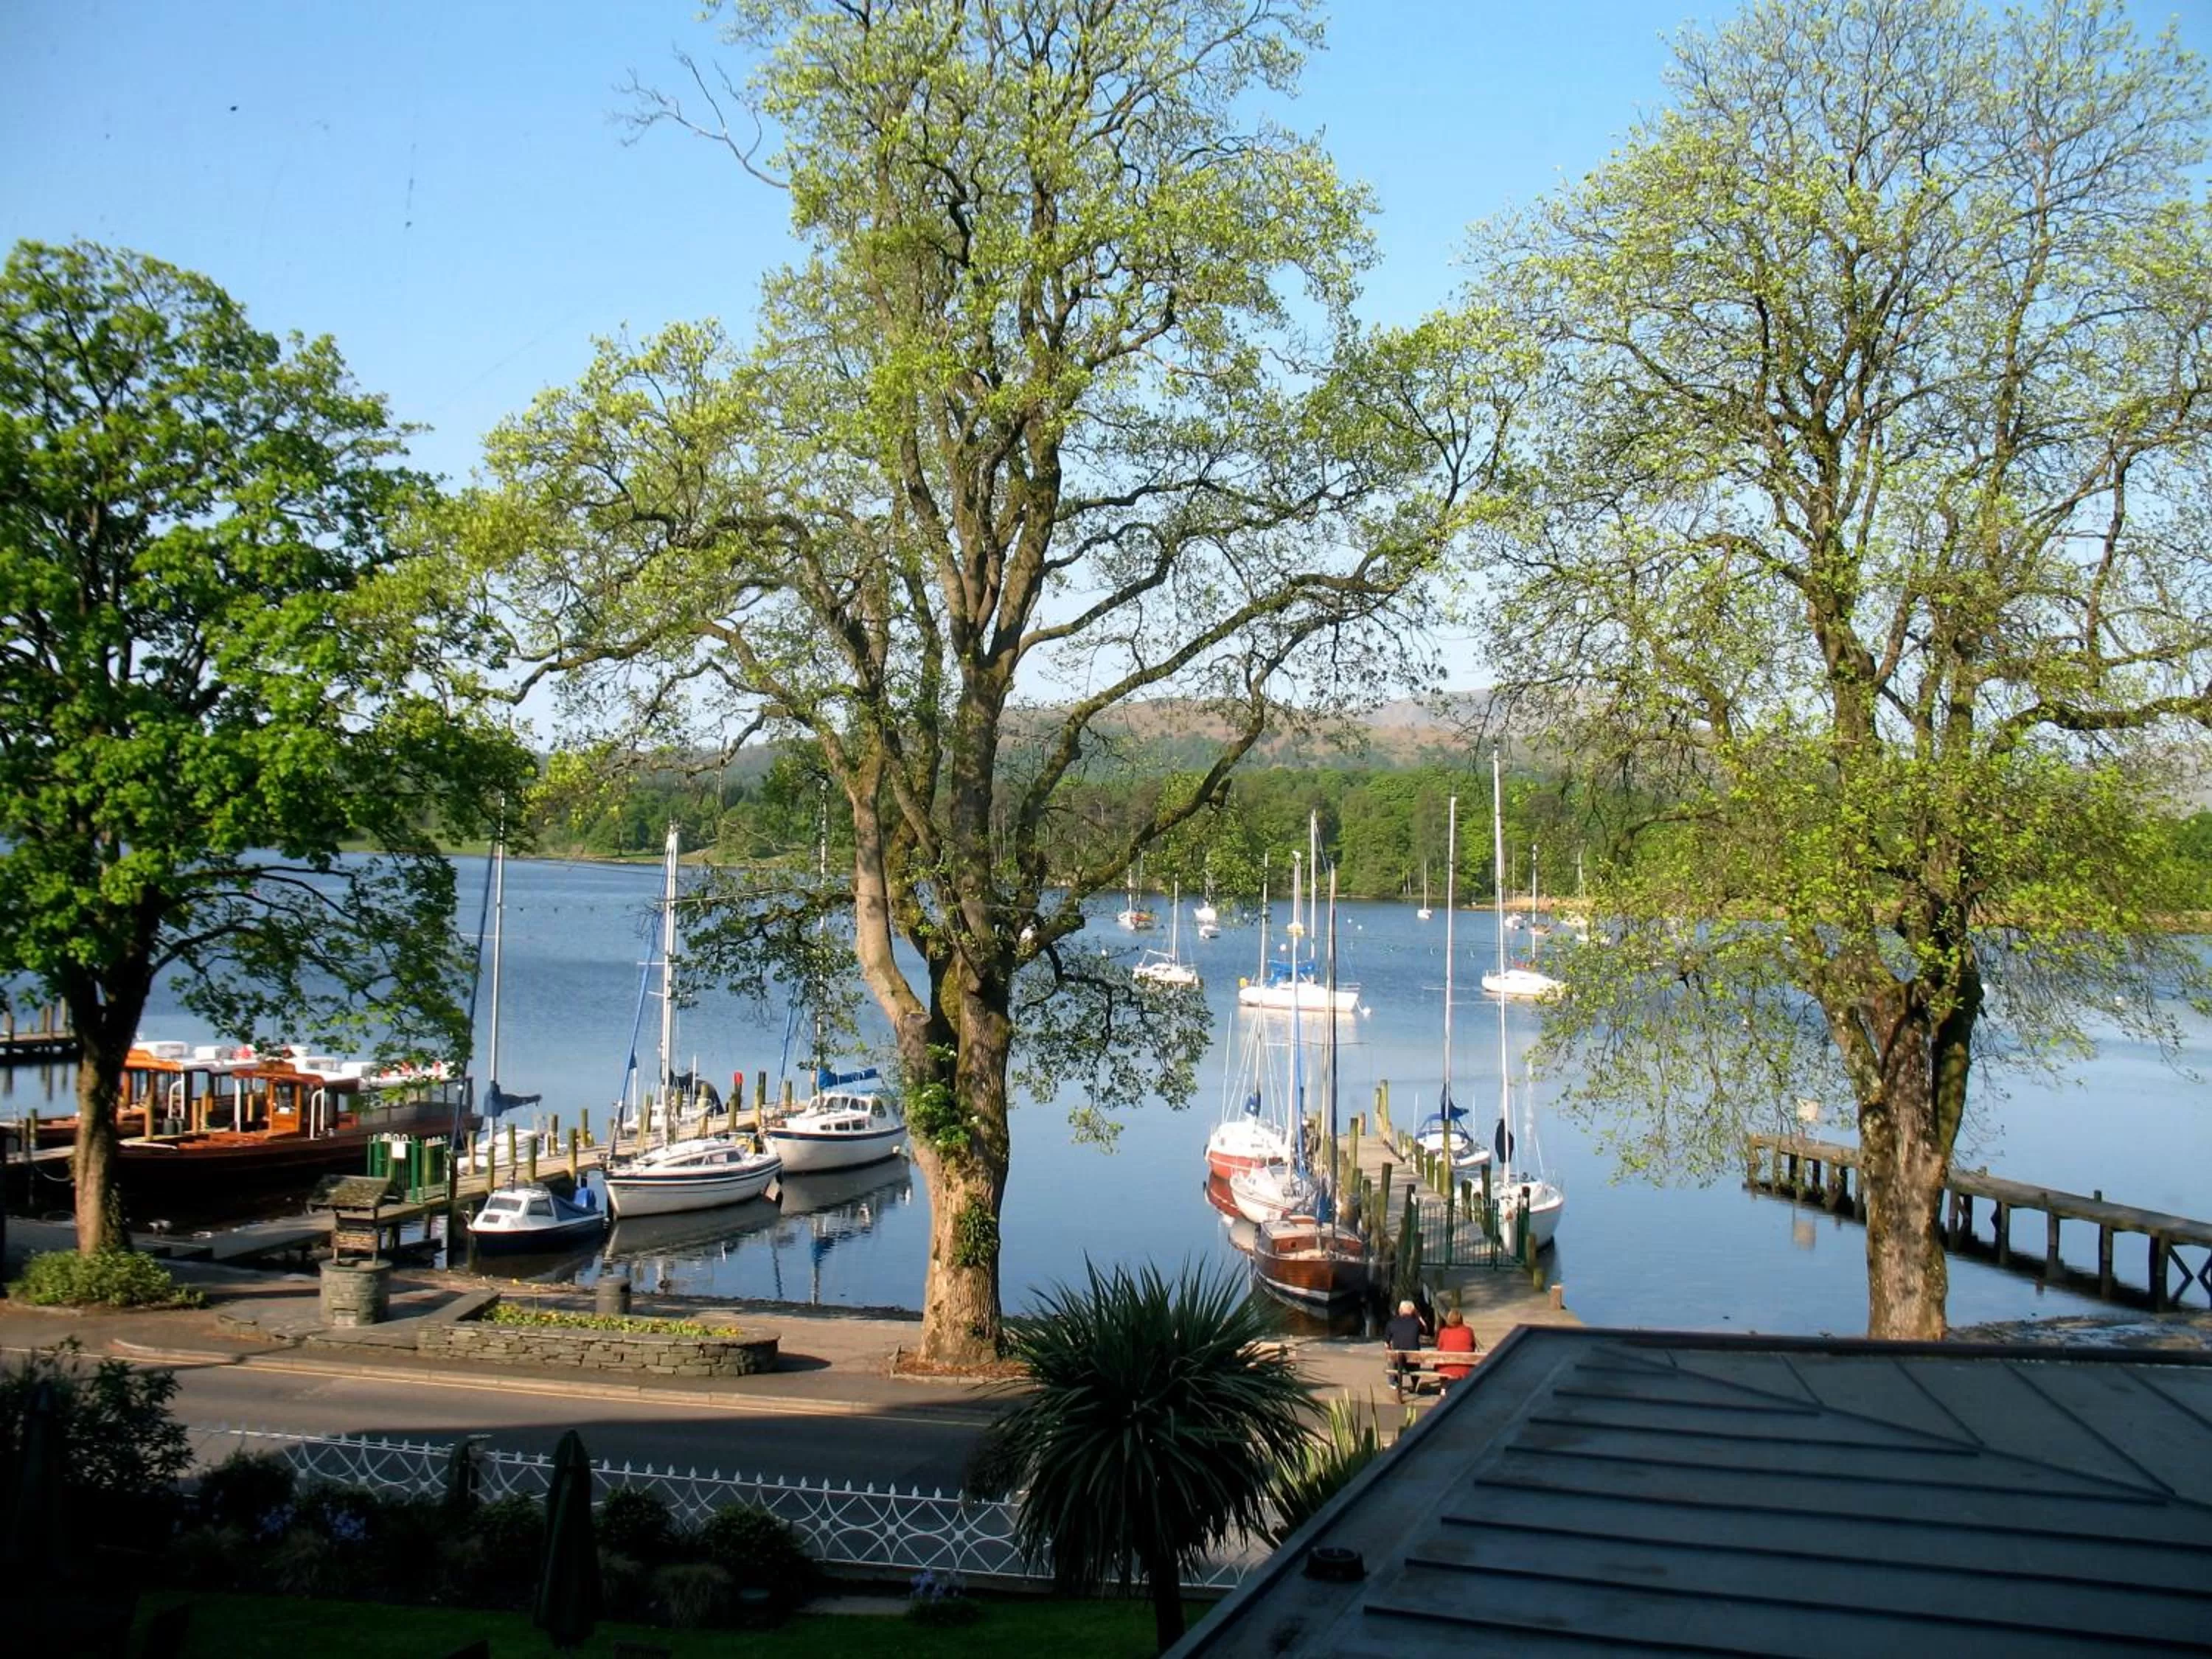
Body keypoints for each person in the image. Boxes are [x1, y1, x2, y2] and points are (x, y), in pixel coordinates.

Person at [1383, 1298, 1425, 1399]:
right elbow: (1425, 1329)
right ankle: (1414, 1383)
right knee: (1415, 1355)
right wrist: (1419, 1316)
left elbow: (1386, 1343)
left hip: (1398, 1361)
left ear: (1400, 1310)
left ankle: (1394, 1382)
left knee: (1392, 1355)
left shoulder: (1392, 1323)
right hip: (1413, 1361)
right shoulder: (1416, 1323)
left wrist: (1389, 1350)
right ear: (1413, 1311)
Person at [1434, 1307, 1479, 1388]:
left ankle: (1443, 1389)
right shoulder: (1468, 1331)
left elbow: (1439, 1348)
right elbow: (1473, 1347)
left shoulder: (1443, 1332)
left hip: (1446, 1368)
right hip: (1465, 1368)